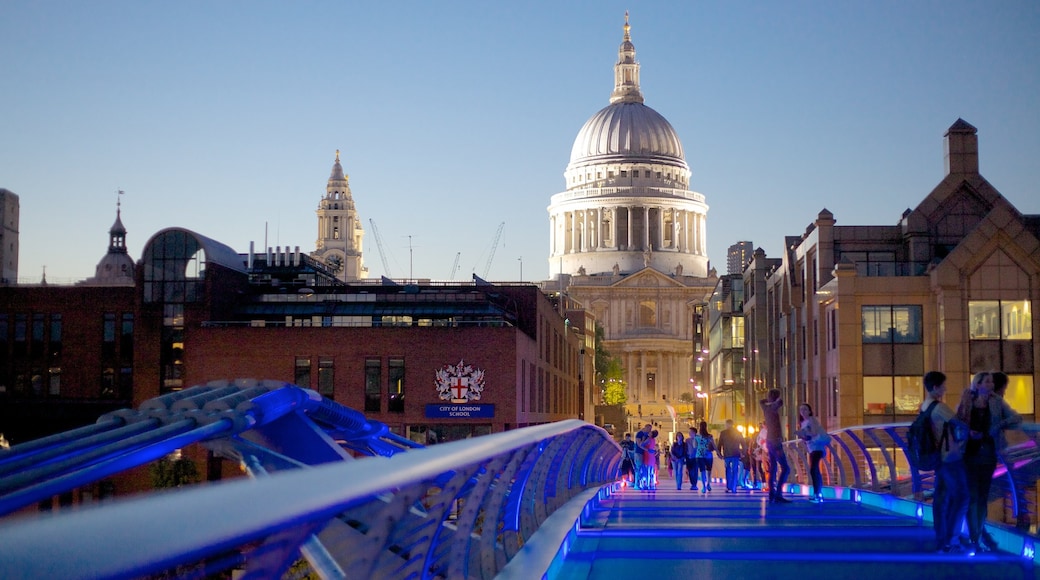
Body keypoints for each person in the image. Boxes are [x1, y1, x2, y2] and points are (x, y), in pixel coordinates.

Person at [956, 371, 1022, 552]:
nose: (991, 385)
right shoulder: (967, 400)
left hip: (988, 453)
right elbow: (956, 422)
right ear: (977, 385)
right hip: (968, 453)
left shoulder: (996, 401)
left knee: (982, 496)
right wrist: (967, 433)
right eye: (987, 382)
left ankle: (975, 538)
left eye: (992, 382)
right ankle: (974, 537)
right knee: (972, 496)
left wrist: (997, 426)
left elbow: (1016, 417)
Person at [923, 371, 969, 554]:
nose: (945, 388)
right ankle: (952, 540)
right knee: (962, 497)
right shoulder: (940, 407)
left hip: (937, 459)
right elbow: (962, 423)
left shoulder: (925, 406)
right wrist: (965, 401)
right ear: (936, 387)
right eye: (943, 385)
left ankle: (942, 541)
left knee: (941, 499)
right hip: (949, 458)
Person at [760, 389, 790, 503]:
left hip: (769, 441)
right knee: (786, 468)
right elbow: (780, 402)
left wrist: (768, 400)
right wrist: (774, 400)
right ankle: (778, 494)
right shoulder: (773, 407)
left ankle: (772, 494)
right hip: (776, 441)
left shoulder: (765, 408)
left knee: (773, 468)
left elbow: (761, 401)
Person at [796, 403, 828, 502]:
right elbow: (807, 437)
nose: (803, 411)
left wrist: (804, 434)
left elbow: (814, 433)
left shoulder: (811, 420)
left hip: (817, 447)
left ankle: (817, 493)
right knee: (814, 470)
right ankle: (817, 493)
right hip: (812, 448)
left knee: (814, 469)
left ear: (809, 411)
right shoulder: (803, 423)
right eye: (801, 410)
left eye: (805, 409)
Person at [717, 419, 745, 493]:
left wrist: (719, 454)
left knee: (728, 470)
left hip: (727, 454)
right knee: (735, 470)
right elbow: (743, 444)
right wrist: (743, 453)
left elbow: (720, 444)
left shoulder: (723, 433)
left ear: (727, 424)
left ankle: (728, 486)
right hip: (736, 454)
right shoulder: (738, 432)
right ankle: (733, 486)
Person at [694, 421, 716, 493]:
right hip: (708, 455)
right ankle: (708, 484)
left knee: (702, 471)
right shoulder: (709, 436)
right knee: (709, 471)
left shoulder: (697, 436)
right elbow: (714, 446)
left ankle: (704, 487)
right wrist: (719, 454)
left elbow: (695, 446)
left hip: (700, 455)